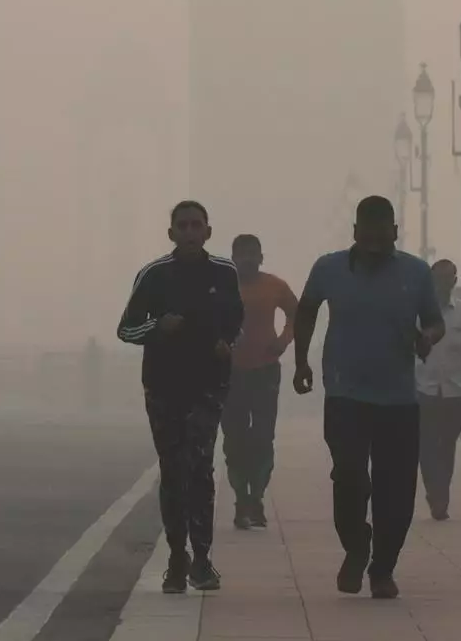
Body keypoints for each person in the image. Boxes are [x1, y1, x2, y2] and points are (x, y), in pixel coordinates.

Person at [292, 195, 444, 600]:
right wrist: (301, 361)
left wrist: (427, 338)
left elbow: (434, 321)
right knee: (349, 477)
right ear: (355, 232)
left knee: (397, 490)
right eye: (367, 235)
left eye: (383, 235)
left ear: (395, 232)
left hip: (399, 401)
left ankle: (383, 568)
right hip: (345, 395)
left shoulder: (416, 272)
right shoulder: (328, 268)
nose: (375, 243)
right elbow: (306, 310)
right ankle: (356, 546)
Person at [117, 200, 244, 595]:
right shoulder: (154, 275)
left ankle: (202, 558)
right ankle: (177, 556)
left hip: (209, 384)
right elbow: (126, 329)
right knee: (173, 470)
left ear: (208, 231)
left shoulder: (224, 273)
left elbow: (236, 320)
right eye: (183, 226)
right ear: (171, 233)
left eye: (196, 225)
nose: (190, 232)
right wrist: (158, 327)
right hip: (164, 386)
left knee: (200, 465)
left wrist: (227, 343)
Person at [223, 233, 297, 530]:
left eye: (252, 254)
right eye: (242, 254)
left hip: (265, 370)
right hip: (230, 373)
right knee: (235, 439)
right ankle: (241, 499)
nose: (247, 260)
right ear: (233, 258)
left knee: (263, 437)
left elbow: (297, 315)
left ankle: (257, 497)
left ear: (261, 257)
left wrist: (284, 340)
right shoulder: (222, 287)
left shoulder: (275, 286)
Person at [415, 259, 461, 520]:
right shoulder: (418, 313)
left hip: (457, 392)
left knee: (447, 444)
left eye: (447, 280)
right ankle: (436, 494)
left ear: (454, 281)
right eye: (437, 280)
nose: (442, 285)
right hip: (424, 390)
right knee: (427, 444)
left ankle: (441, 491)